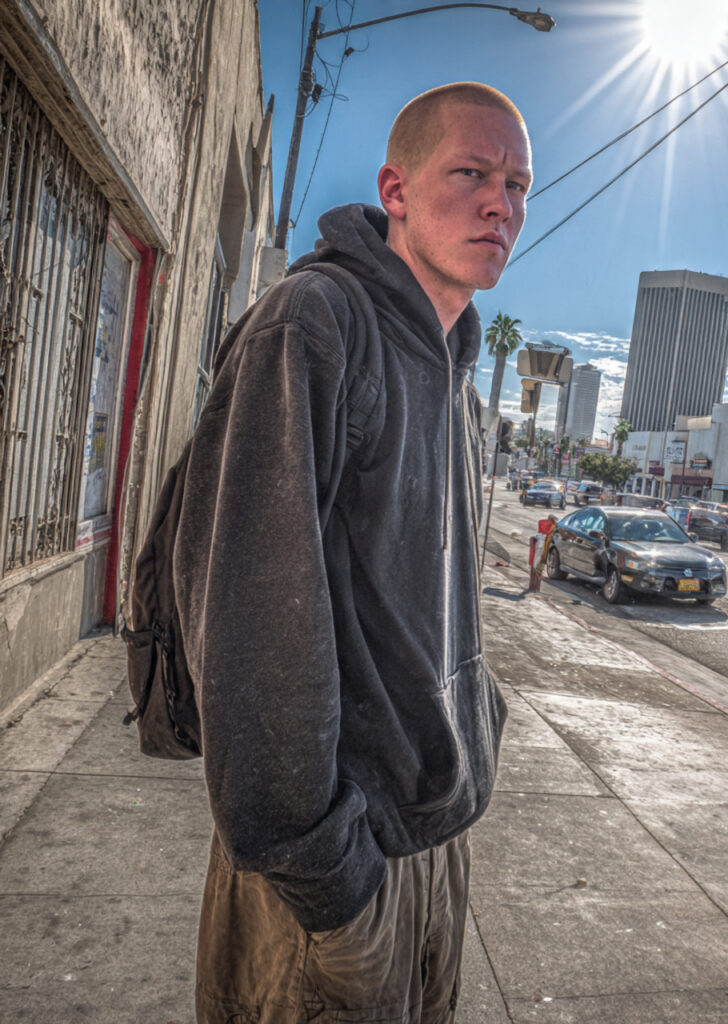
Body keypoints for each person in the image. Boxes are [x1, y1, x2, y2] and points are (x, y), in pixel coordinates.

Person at [174, 82, 531, 1023]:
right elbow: (247, 624)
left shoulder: (457, 380)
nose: (503, 203)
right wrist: (331, 879)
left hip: (431, 847)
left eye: (518, 184)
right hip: (332, 880)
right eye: (472, 173)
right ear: (397, 189)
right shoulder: (316, 324)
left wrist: (477, 729)